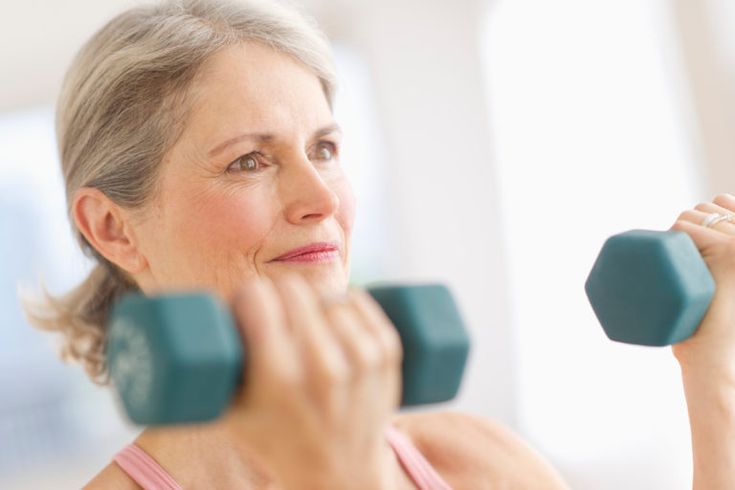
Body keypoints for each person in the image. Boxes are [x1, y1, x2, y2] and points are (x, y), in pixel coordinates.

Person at [24, 0, 735, 488]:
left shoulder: (471, 459)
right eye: (249, 160)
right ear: (114, 228)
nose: (322, 199)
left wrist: (714, 370)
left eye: (324, 147)